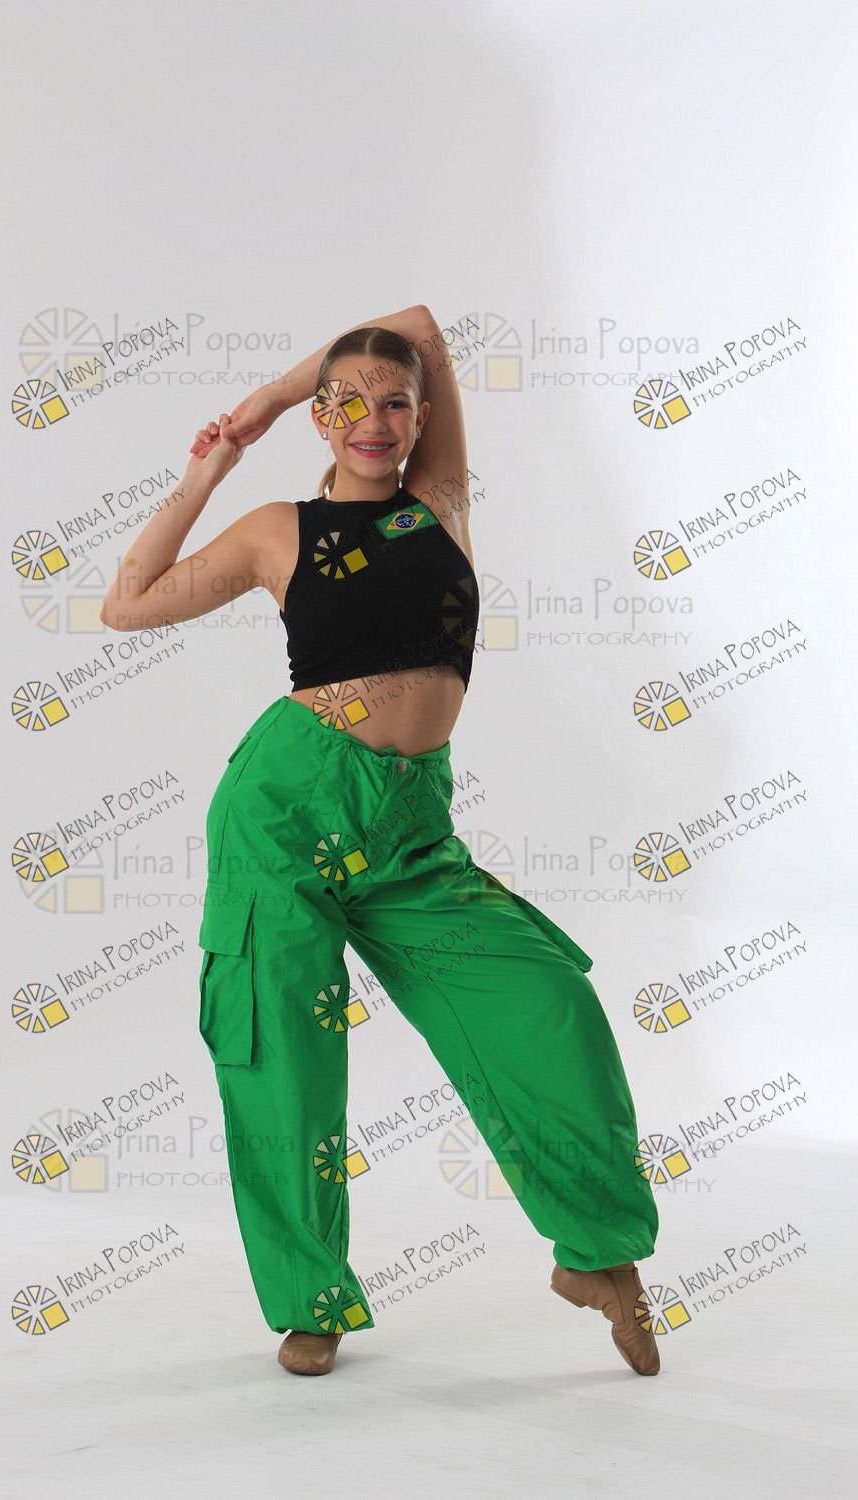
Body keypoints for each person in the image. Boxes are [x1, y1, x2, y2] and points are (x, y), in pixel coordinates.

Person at [100, 303, 661, 1378]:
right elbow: (127, 608)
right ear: (326, 420)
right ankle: (310, 1300)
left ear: (419, 417)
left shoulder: (437, 504)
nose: (372, 418)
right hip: (287, 809)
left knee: (545, 1000)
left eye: (394, 402)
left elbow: (418, 324)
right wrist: (214, 465)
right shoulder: (279, 530)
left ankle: (597, 1256)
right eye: (346, 403)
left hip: (411, 828)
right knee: (286, 1055)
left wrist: (274, 393)